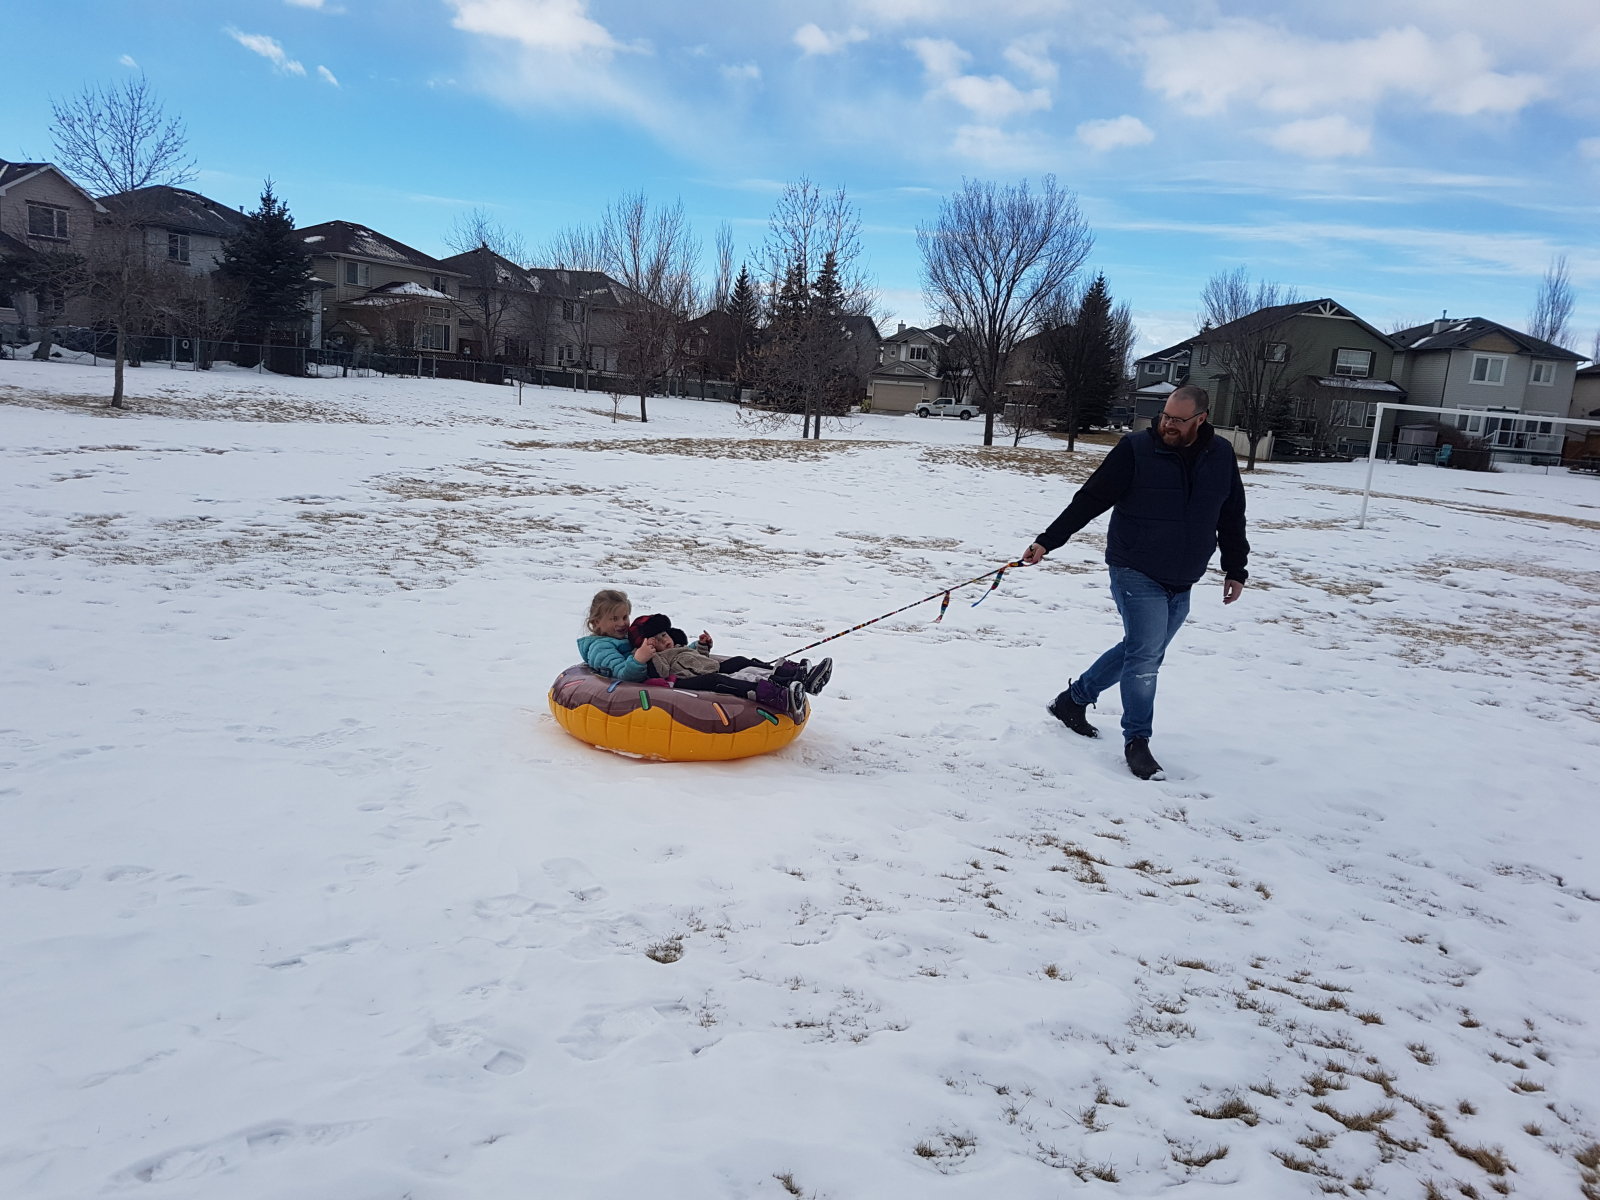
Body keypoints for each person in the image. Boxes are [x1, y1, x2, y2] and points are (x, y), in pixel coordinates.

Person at [1020, 384, 1249, 780]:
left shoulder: (1220, 455)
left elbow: (1232, 514)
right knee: (1146, 657)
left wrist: (1235, 568)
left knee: (1139, 648)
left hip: (1183, 576)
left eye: (1178, 420)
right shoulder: (1136, 450)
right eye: (1164, 416)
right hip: (1134, 567)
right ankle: (1137, 741)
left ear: (1201, 419)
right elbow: (1090, 499)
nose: (1167, 425)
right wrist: (1047, 541)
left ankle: (1073, 701)